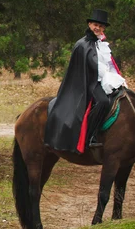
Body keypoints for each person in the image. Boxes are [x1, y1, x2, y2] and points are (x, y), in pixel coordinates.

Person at [44, 9, 126, 154]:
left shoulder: (102, 44)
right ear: (89, 24)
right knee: (103, 102)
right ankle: (91, 136)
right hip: (88, 83)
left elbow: (109, 64)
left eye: (101, 26)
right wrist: (106, 79)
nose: (98, 28)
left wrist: (117, 79)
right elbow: (93, 68)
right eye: (95, 25)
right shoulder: (82, 44)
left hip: (102, 81)